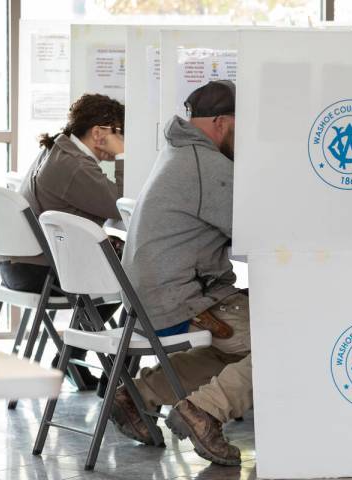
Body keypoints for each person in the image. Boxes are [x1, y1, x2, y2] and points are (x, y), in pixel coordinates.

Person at [110, 80, 250, 466]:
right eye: (245, 126)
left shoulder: (177, 151)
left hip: (149, 302)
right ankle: (205, 410)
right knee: (283, 341)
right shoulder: (209, 166)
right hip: (182, 303)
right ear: (222, 123)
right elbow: (257, 235)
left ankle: (138, 395)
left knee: (233, 351)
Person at [0, 93, 126, 389]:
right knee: (135, 274)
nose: (122, 141)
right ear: (99, 132)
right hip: (39, 271)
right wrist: (123, 157)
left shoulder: (59, 148)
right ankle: (118, 386)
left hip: (21, 265)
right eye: (119, 133)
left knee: (117, 268)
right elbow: (119, 203)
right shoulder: (76, 165)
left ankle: (72, 360)